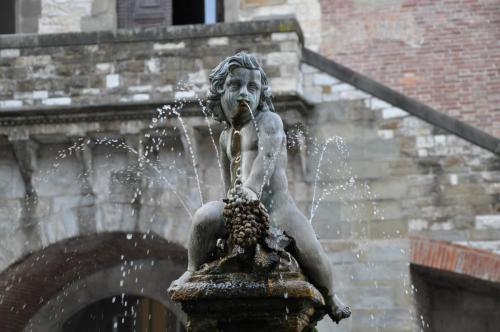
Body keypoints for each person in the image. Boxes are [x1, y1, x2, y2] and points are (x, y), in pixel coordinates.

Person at [174, 52, 350, 323]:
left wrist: (252, 190)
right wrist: (230, 206)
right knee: (202, 219)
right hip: (241, 205)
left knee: (311, 251)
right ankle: (191, 269)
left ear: (261, 94)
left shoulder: (270, 122)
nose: (245, 93)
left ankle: (330, 295)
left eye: (252, 87)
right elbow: (227, 178)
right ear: (220, 93)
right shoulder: (224, 137)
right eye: (235, 86)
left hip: (276, 207)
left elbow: (265, 160)